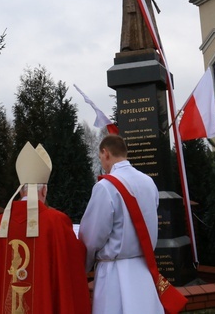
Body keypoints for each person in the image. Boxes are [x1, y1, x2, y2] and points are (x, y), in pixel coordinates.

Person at [0, 142, 91, 314]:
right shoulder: (57, 221)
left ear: (22, 191)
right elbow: (75, 260)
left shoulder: (1, 224)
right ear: (44, 191)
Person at [79, 134, 161, 314]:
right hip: (143, 269)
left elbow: (92, 236)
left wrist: (83, 265)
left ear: (105, 153)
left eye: (101, 158)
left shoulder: (105, 187)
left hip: (114, 274)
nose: (102, 163)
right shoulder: (149, 182)